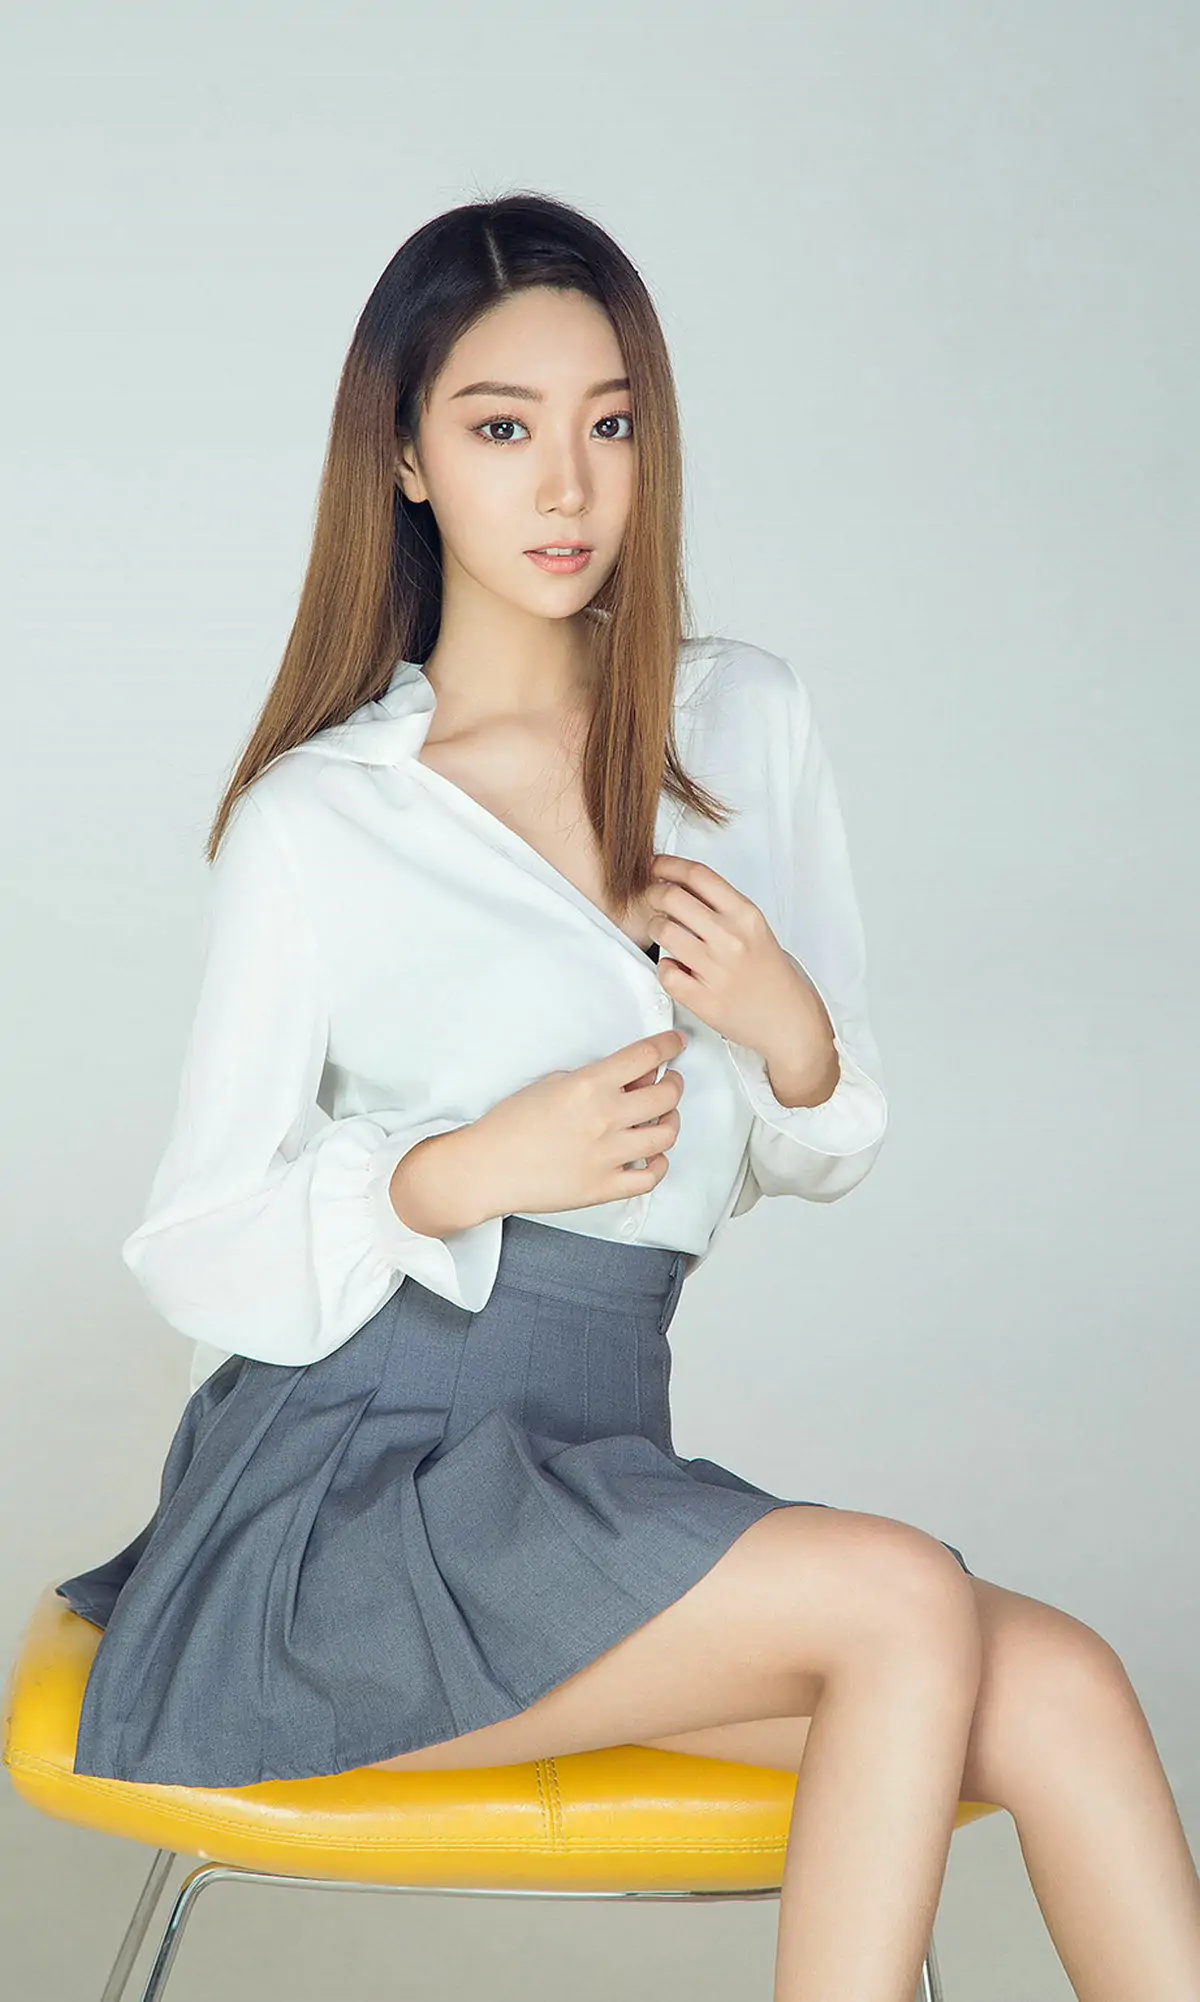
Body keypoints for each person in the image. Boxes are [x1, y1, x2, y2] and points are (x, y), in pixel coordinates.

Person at [56, 193, 1200, 2001]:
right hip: (354, 1499)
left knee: (1065, 1686)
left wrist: (786, 1020)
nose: (569, 484)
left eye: (610, 421)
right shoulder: (324, 819)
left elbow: (819, 1130)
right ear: (407, 460)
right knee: (902, 1598)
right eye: (501, 427)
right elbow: (192, 1242)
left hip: (590, 1463)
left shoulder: (741, 723)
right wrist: (461, 1169)